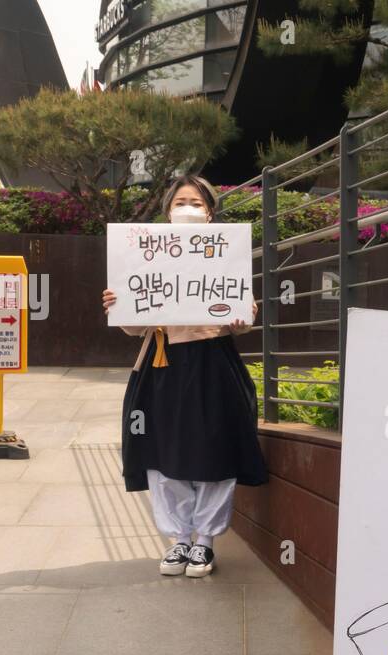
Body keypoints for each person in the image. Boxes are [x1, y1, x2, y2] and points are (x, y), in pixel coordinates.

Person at [102, 175, 268, 577]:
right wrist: (118, 306)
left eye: (195, 202)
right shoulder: (144, 256)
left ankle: (205, 542)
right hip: (162, 368)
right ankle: (178, 540)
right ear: (168, 210)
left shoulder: (226, 255)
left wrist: (245, 309)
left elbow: (241, 319)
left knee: (215, 450)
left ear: (209, 212)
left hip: (213, 364)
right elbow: (136, 326)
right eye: (181, 201)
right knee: (163, 454)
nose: (188, 208)